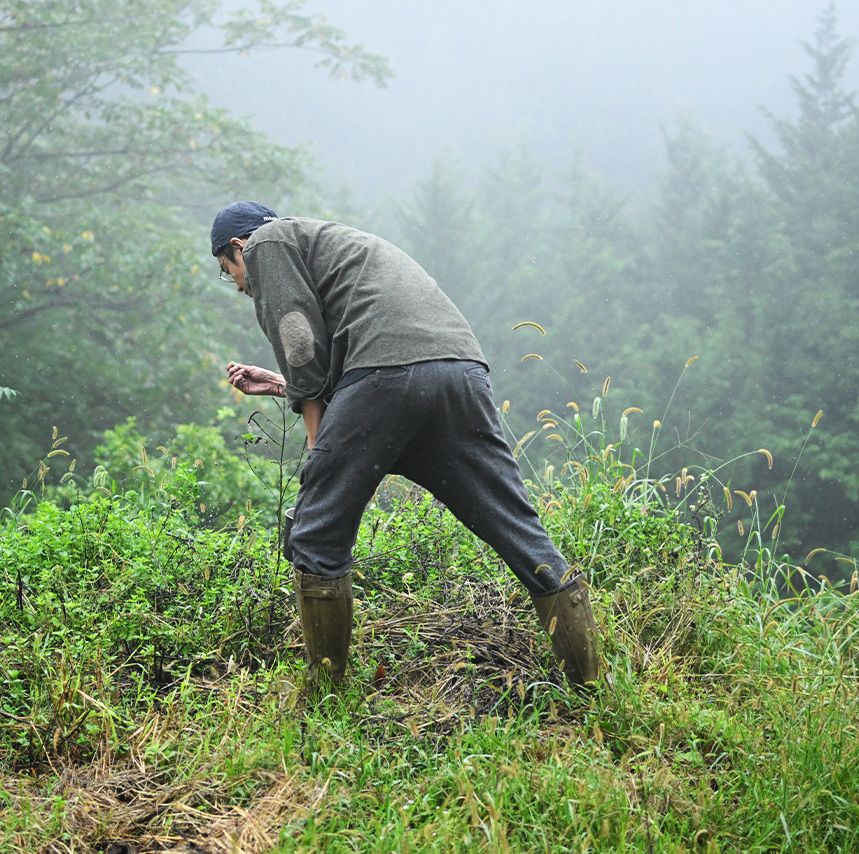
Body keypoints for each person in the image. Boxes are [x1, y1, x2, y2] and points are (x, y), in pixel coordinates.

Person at [212, 201, 599, 687]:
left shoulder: (268, 242)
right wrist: (285, 386)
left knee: (315, 534)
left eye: (230, 273)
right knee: (516, 529)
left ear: (236, 247)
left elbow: (300, 345)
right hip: (459, 372)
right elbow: (357, 349)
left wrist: (317, 443)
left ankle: (323, 697)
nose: (241, 285)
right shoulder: (330, 244)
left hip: (386, 378)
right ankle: (592, 686)